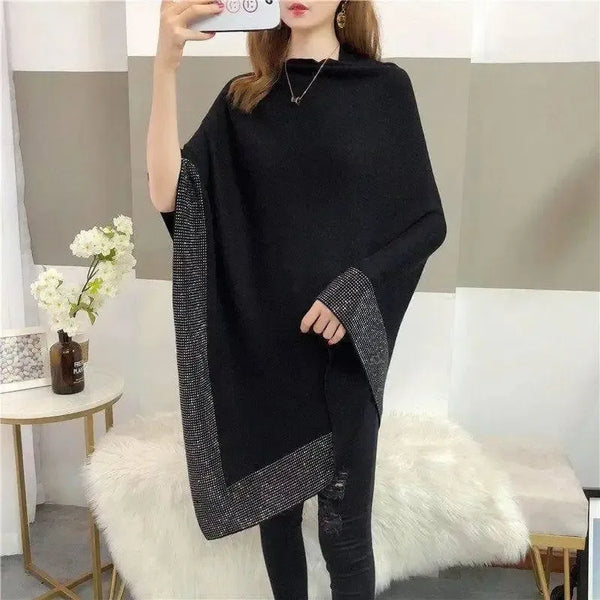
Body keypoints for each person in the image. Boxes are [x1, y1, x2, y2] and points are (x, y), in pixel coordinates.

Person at [147, 1, 447, 598]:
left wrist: (354, 291)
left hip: (342, 355)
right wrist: (165, 65)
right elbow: (173, 197)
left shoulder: (384, 90)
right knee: (278, 526)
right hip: (265, 351)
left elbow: (427, 222)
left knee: (345, 536)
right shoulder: (243, 99)